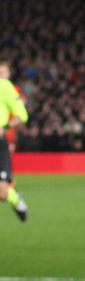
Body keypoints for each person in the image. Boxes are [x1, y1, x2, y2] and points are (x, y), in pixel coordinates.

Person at [0, 61, 29, 222]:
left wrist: (4, 127)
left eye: (3, 71)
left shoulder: (6, 87)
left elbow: (22, 114)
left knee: (2, 193)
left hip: (1, 140)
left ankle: (16, 199)